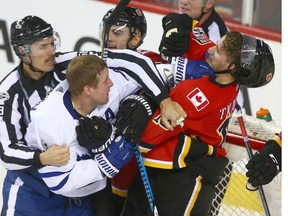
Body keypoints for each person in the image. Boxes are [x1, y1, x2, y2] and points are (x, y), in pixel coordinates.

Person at [0, 15, 186, 215]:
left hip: (80, 194)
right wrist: (41, 157)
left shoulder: (68, 63)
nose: (52, 51)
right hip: (32, 197)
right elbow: (5, 151)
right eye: (43, 47)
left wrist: (163, 101)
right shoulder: (9, 93)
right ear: (22, 51)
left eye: (52, 43)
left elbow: (134, 62)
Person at [120, 18, 275, 215]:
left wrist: (142, 107)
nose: (210, 51)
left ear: (233, 68)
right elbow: (199, 38)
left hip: (181, 181)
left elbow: (143, 141)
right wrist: (183, 24)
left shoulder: (195, 96)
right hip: (175, 171)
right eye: (217, 46)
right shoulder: (226, 78)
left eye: (218, 51)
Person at [24, 55, 136, 215]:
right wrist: (103, 164)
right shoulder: (51, 122)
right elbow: (60, 182)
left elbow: (155, 76)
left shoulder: (107, 88)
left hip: (91, 191)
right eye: (105, 81)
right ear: (88, 89)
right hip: (39, 193)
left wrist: (142, 102)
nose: (110, 83)